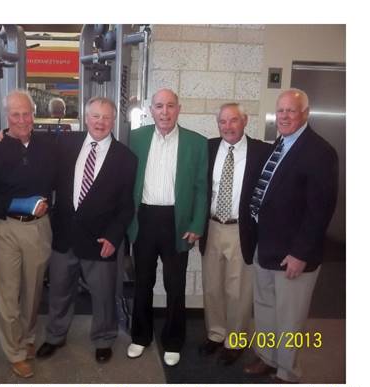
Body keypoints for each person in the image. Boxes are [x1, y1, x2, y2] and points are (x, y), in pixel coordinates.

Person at [244, 88, 338, 383]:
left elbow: (319, 210)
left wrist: (300, 254)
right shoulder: (280, 144)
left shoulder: (320, 152)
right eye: (281, 110)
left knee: (289, 318)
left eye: (291, 111)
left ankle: (288, 372)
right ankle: (268, 358)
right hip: (266, 245)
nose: (284, 116)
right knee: (266, 308)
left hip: (293, 254)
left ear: (305, 114)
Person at [36, 97, 137, 363]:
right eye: (95, 116)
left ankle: (104, 338)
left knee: (104, 296)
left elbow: (127, 206)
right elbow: (33, 148)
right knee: (58, 291)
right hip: (64, 236)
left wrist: (115, 237)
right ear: (86, 116)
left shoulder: (126, 158)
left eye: (106, 117)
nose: (100, 122)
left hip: (100, 239)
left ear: (113, 120)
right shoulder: (66, 143)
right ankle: (55, 335)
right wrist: (5, 135)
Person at [126, 88, 208, 366]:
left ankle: (173, 340)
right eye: (159, 106)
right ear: (151, 110)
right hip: (144, 220)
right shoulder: (134, 138)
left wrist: (197, 224)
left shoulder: (196, 143)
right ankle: (140, 336)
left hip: (178, 223)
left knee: (175, 285)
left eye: (170, 106)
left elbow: (201, 188)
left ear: (179, 109)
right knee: (142, 284)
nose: (164, 112)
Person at [0, 89, 56, 378]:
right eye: (15, 114)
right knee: (8, 294)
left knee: (33, 291)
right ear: (6, 116)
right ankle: (14, 351)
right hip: (4, 228)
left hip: (39, 230)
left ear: (34, 114)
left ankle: (27, 339)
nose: (22, 119)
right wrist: (21, 204)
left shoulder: (48, 145)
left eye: (26, 113)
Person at [198, 103, 270, 365]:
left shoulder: (262, 151)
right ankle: (216, 334)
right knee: (212, 286)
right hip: (212, 227)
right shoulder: (208, 147)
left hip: (242, 230)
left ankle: (236, 340)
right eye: (223, 122)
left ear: (245, 121)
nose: (228, 127)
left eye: (233, 121)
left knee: (239, 290)